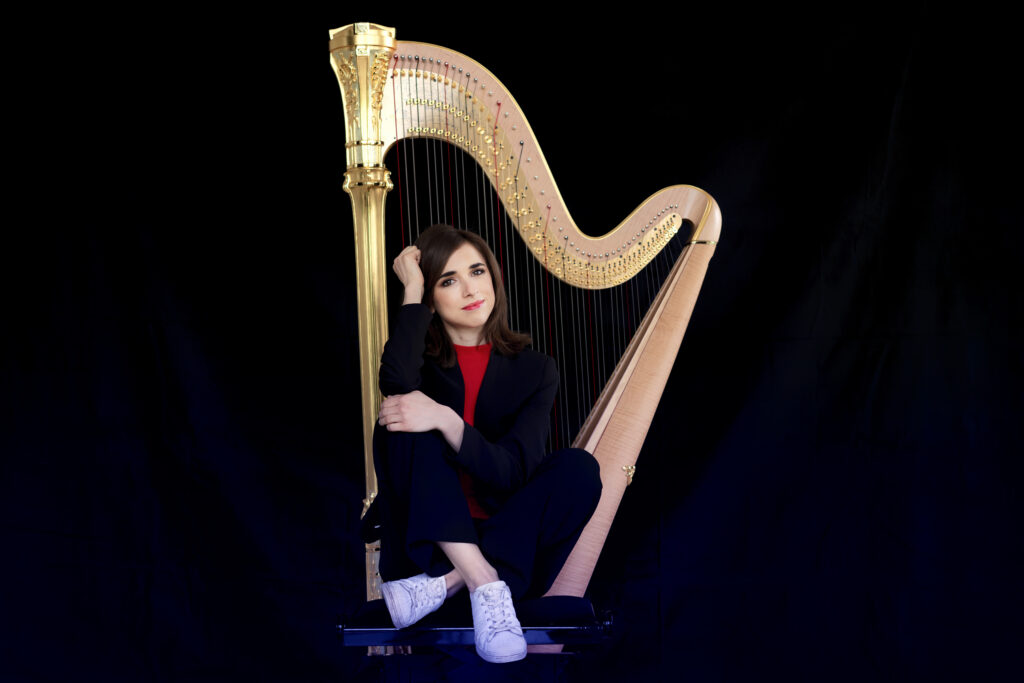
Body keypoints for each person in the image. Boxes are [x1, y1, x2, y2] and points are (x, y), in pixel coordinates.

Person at [371, 224, 602, 664]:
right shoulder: (421, 368)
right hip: (425, 548)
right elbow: (396, 382)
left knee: (579, 469)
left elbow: (512, 473)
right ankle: (481, 582)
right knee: (403, 417)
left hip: (506, 541)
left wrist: (447, 420)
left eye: (477, 271)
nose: (470, 289)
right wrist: (412, 290)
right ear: (432, 299)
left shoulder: (535, 370)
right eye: (448, 280)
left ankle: (449, 584)